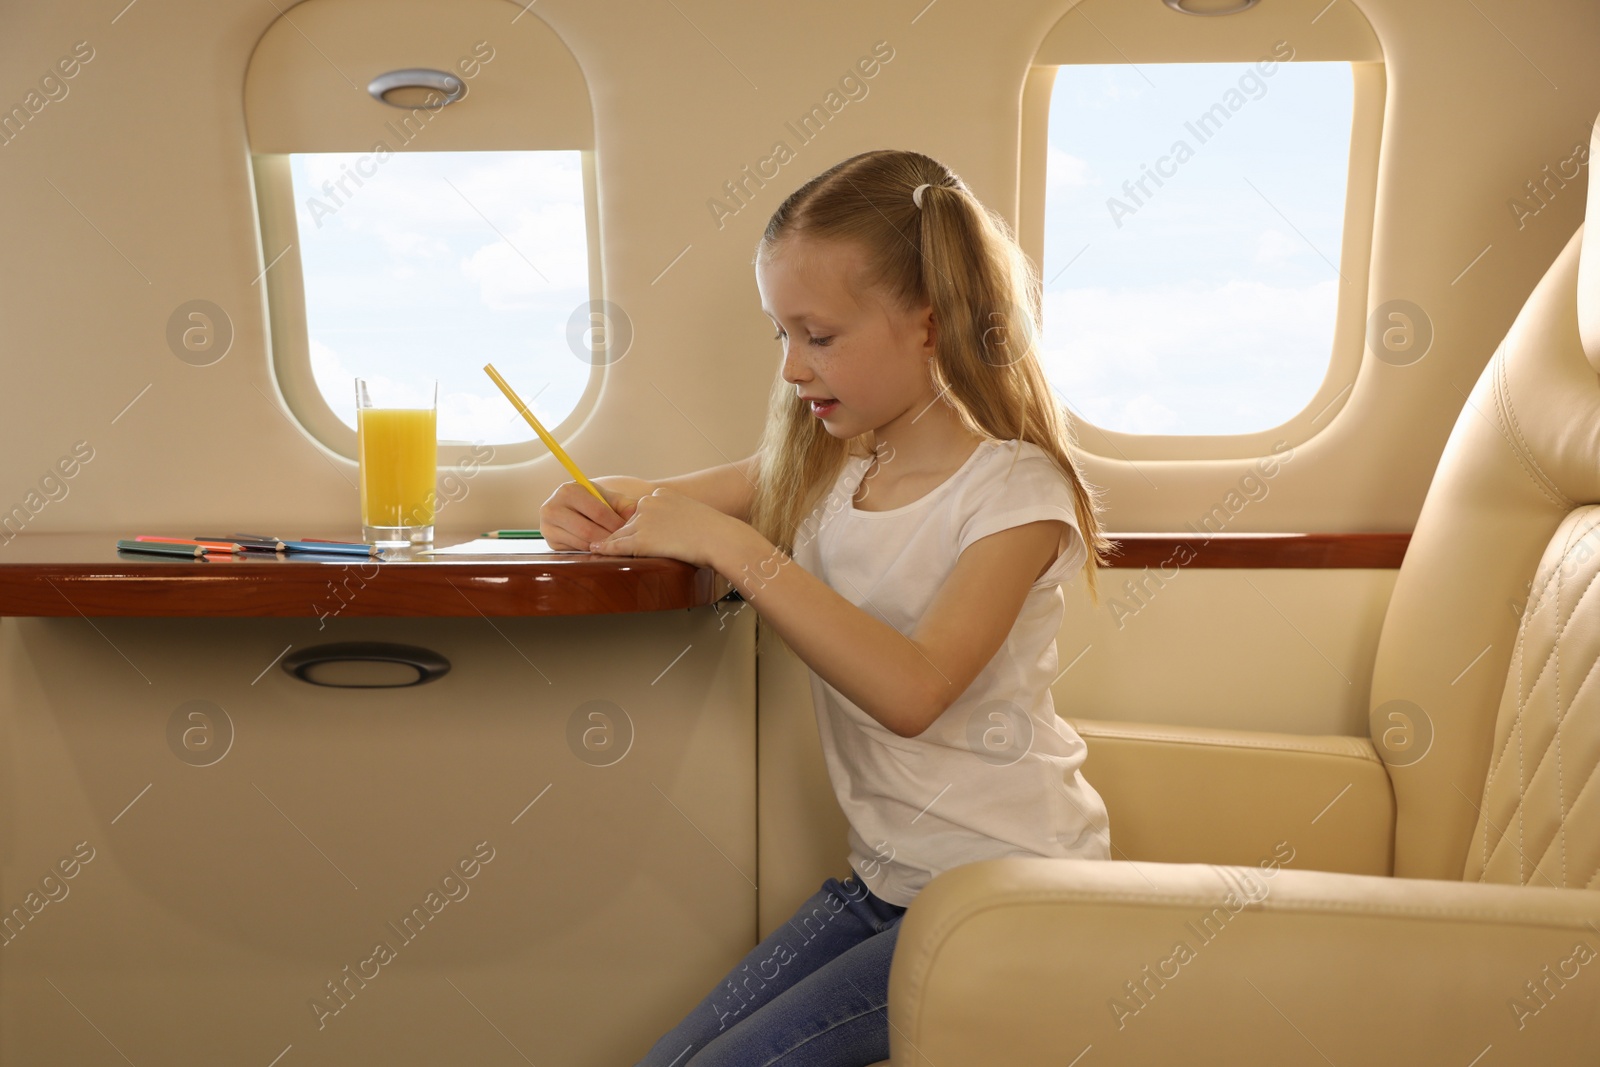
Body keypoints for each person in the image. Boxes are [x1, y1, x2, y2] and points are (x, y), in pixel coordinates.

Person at [538, 148, 1115, 1067]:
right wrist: (585, 503)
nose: (793, 368)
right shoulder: (830, 468)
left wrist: (738, 547)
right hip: (888, 883)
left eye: (818, 334)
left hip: (1007, 893)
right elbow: (649, 502)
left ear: (928, 326)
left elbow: (915, 690)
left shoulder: (1014, 492)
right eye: (780, 336)